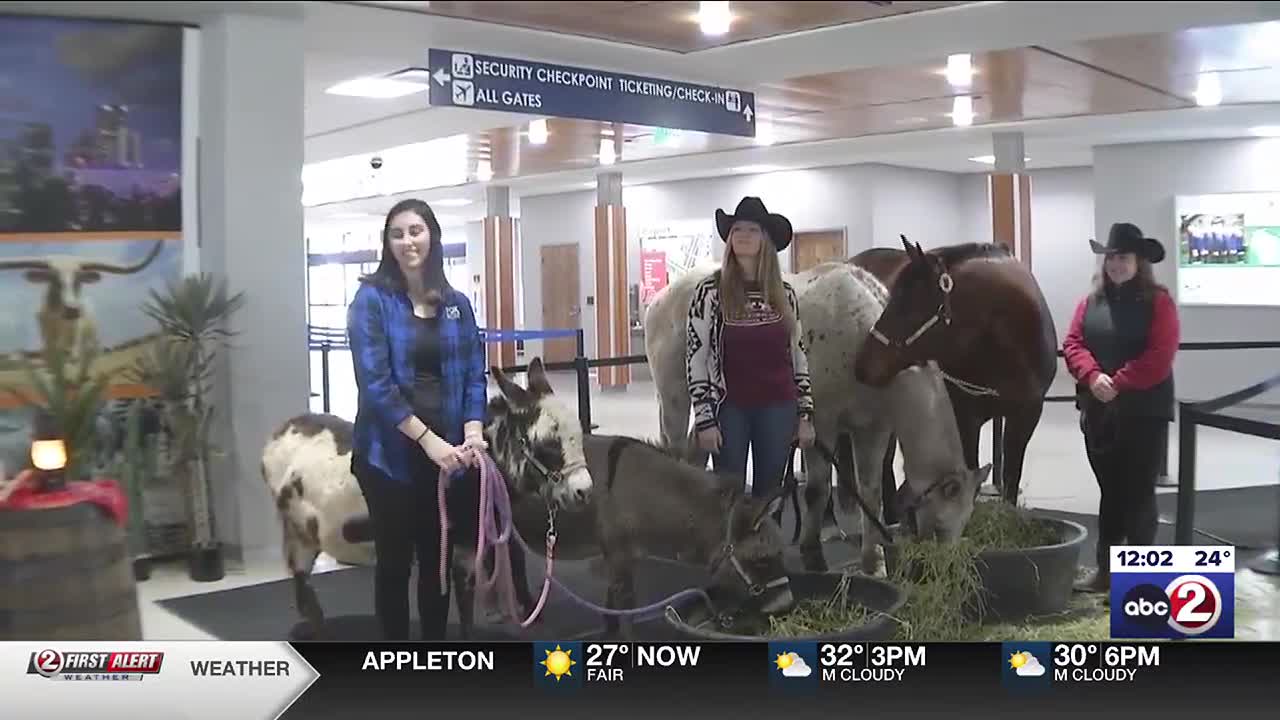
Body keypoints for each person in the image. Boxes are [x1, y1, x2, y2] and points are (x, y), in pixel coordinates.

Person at [347, 198, 489, 640]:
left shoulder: (457, 304)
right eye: (398, 233)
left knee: (438, 560)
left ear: (432, 236)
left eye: (416, 231)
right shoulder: (371, 301)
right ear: (387, 243)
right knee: (394, 563)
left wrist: (473, 431)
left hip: (449, 458)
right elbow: (377, 385)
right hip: (388, 458)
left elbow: (472, 374)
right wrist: (428, 440)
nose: (408, 241)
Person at [1062, 222, 1180, 593]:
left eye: (1123, 258)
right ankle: (1106, 571)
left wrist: (1119, 382)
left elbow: (1160, 355)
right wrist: (1093, 376)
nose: (1115, 264)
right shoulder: (1090, 302)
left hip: (1144, 413)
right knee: (1110, 491)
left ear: (1139, 262)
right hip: (1100, 412)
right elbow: (1073, 343)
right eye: (1111, 258)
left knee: (1139, 493)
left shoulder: (1159, 302)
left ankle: (1139, 581)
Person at [686, 196, 816, 498]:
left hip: (779, 407)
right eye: (737, 229)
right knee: (728, 494)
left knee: (769, 495)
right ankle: (731, 548)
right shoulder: (709, 293)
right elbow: (696, 357)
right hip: (729, 408)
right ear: (729, 240)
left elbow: (798, 355)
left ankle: (765, 547)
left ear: (766, 240)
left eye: (752, 229)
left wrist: (805, 414)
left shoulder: (784, 295)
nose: (743, 235)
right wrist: (704, 419)